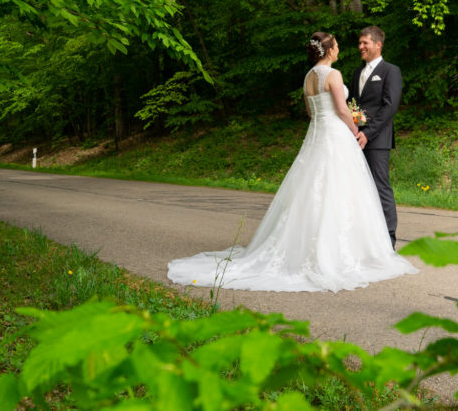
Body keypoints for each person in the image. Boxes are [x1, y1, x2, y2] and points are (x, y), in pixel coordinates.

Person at [167, 32, 417, 292]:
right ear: (329, 50)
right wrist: (355, 130)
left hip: (318, 135)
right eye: (338, 45)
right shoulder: (335, 75)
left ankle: (312, 245)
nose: (343, 48)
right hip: (336, 135)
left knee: (312, 190)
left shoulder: (308, 78)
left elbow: (311, 112)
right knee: (341, 190)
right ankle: (344, 251)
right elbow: (342, 110)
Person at [349, 26, 403, 248]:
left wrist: (368, 133)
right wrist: (354, 130)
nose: (361, 46)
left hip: (377, 139)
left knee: (381, 186)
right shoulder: (356, 73)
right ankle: (366, 236)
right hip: (355, 138)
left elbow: (390, 107)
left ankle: (389, 237)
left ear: (378, 45)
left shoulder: (391, 71)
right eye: (360, 43)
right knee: (359, 187)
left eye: (365, 43)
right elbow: (352, 104)